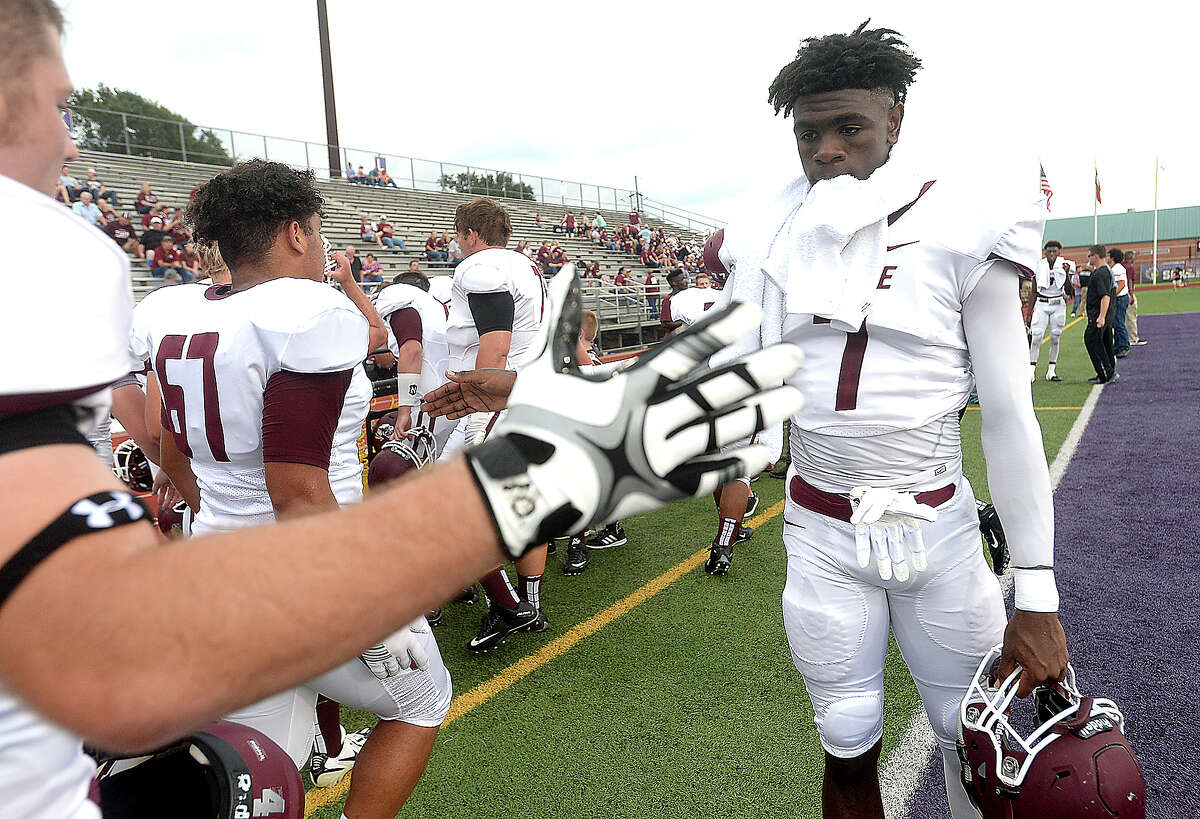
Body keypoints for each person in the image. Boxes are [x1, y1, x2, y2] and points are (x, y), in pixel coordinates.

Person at [0, 12, 800, 819]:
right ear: (297, 230)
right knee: (420, 695)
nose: (71, 142)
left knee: (257, 762)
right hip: (302, 571)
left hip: (218, 562)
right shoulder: (305, 313)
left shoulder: (168, 312)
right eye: (59, 105)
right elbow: (297, 491)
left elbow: (164, 449)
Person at [708, 22, 1068, 818]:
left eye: (849, 128)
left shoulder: (961, 216)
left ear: (894, 122)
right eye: (810, 133)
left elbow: (1010, 414)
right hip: (820, 524)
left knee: (971, 740)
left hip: (934, 524)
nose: (827, 150)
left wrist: (1037, 594)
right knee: (846, 734)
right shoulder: (770, 233)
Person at [439, 197, 555, 650]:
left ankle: (511, 606)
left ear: (470, 234)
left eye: (457, 235)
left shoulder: (480, 265)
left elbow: (497, 342)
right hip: (528, 392)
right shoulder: (524, 265)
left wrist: (479, 404)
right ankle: (526, 605)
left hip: (497, 399)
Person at [1029, 240, 1070, 382]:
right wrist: (1029, 314)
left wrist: (1066, 275)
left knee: (1055, 336)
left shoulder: (1064, 266)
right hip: (1042, 303)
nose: (1051, 254)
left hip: (1058, 303)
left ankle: (1051, 371)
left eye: (1054, 251)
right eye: (1049, 251)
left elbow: (1070, 292)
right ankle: (1031, 370)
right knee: (1036, 336)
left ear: (1059, 252)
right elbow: (1034, 291)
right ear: (1044, 252)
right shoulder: (1039, 266)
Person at [1084, 244, 1118, 384]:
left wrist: (1101, 317)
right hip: (1105, 315)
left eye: (1089, 255)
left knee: (1092, 341)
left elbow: (1105, 296)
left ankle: (1105, 373)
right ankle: (1108, 371)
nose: (1088, 258)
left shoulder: (1101, 273)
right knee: (1106, 343)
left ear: (1096, 256)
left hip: (1099, 315)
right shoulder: (1106, 271)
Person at [1108, 247, 1131, 357]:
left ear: (1112, 257)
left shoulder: (1117, 268)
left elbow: (1121, 284)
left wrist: (1112, 296)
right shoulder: (1115, 268)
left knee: (1119, 323)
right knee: (1116, 323)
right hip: (1120, 298)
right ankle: (1117, 346)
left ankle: (1124, 346)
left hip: (1120, 298)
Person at [659, 268, 689, 336]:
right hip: (677, 337)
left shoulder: (689, 296)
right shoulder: (668, 300)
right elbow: (665, 323)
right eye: (682, 279)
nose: (686, 281)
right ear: (674, 283)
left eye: (685, 278)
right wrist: (684, 323)